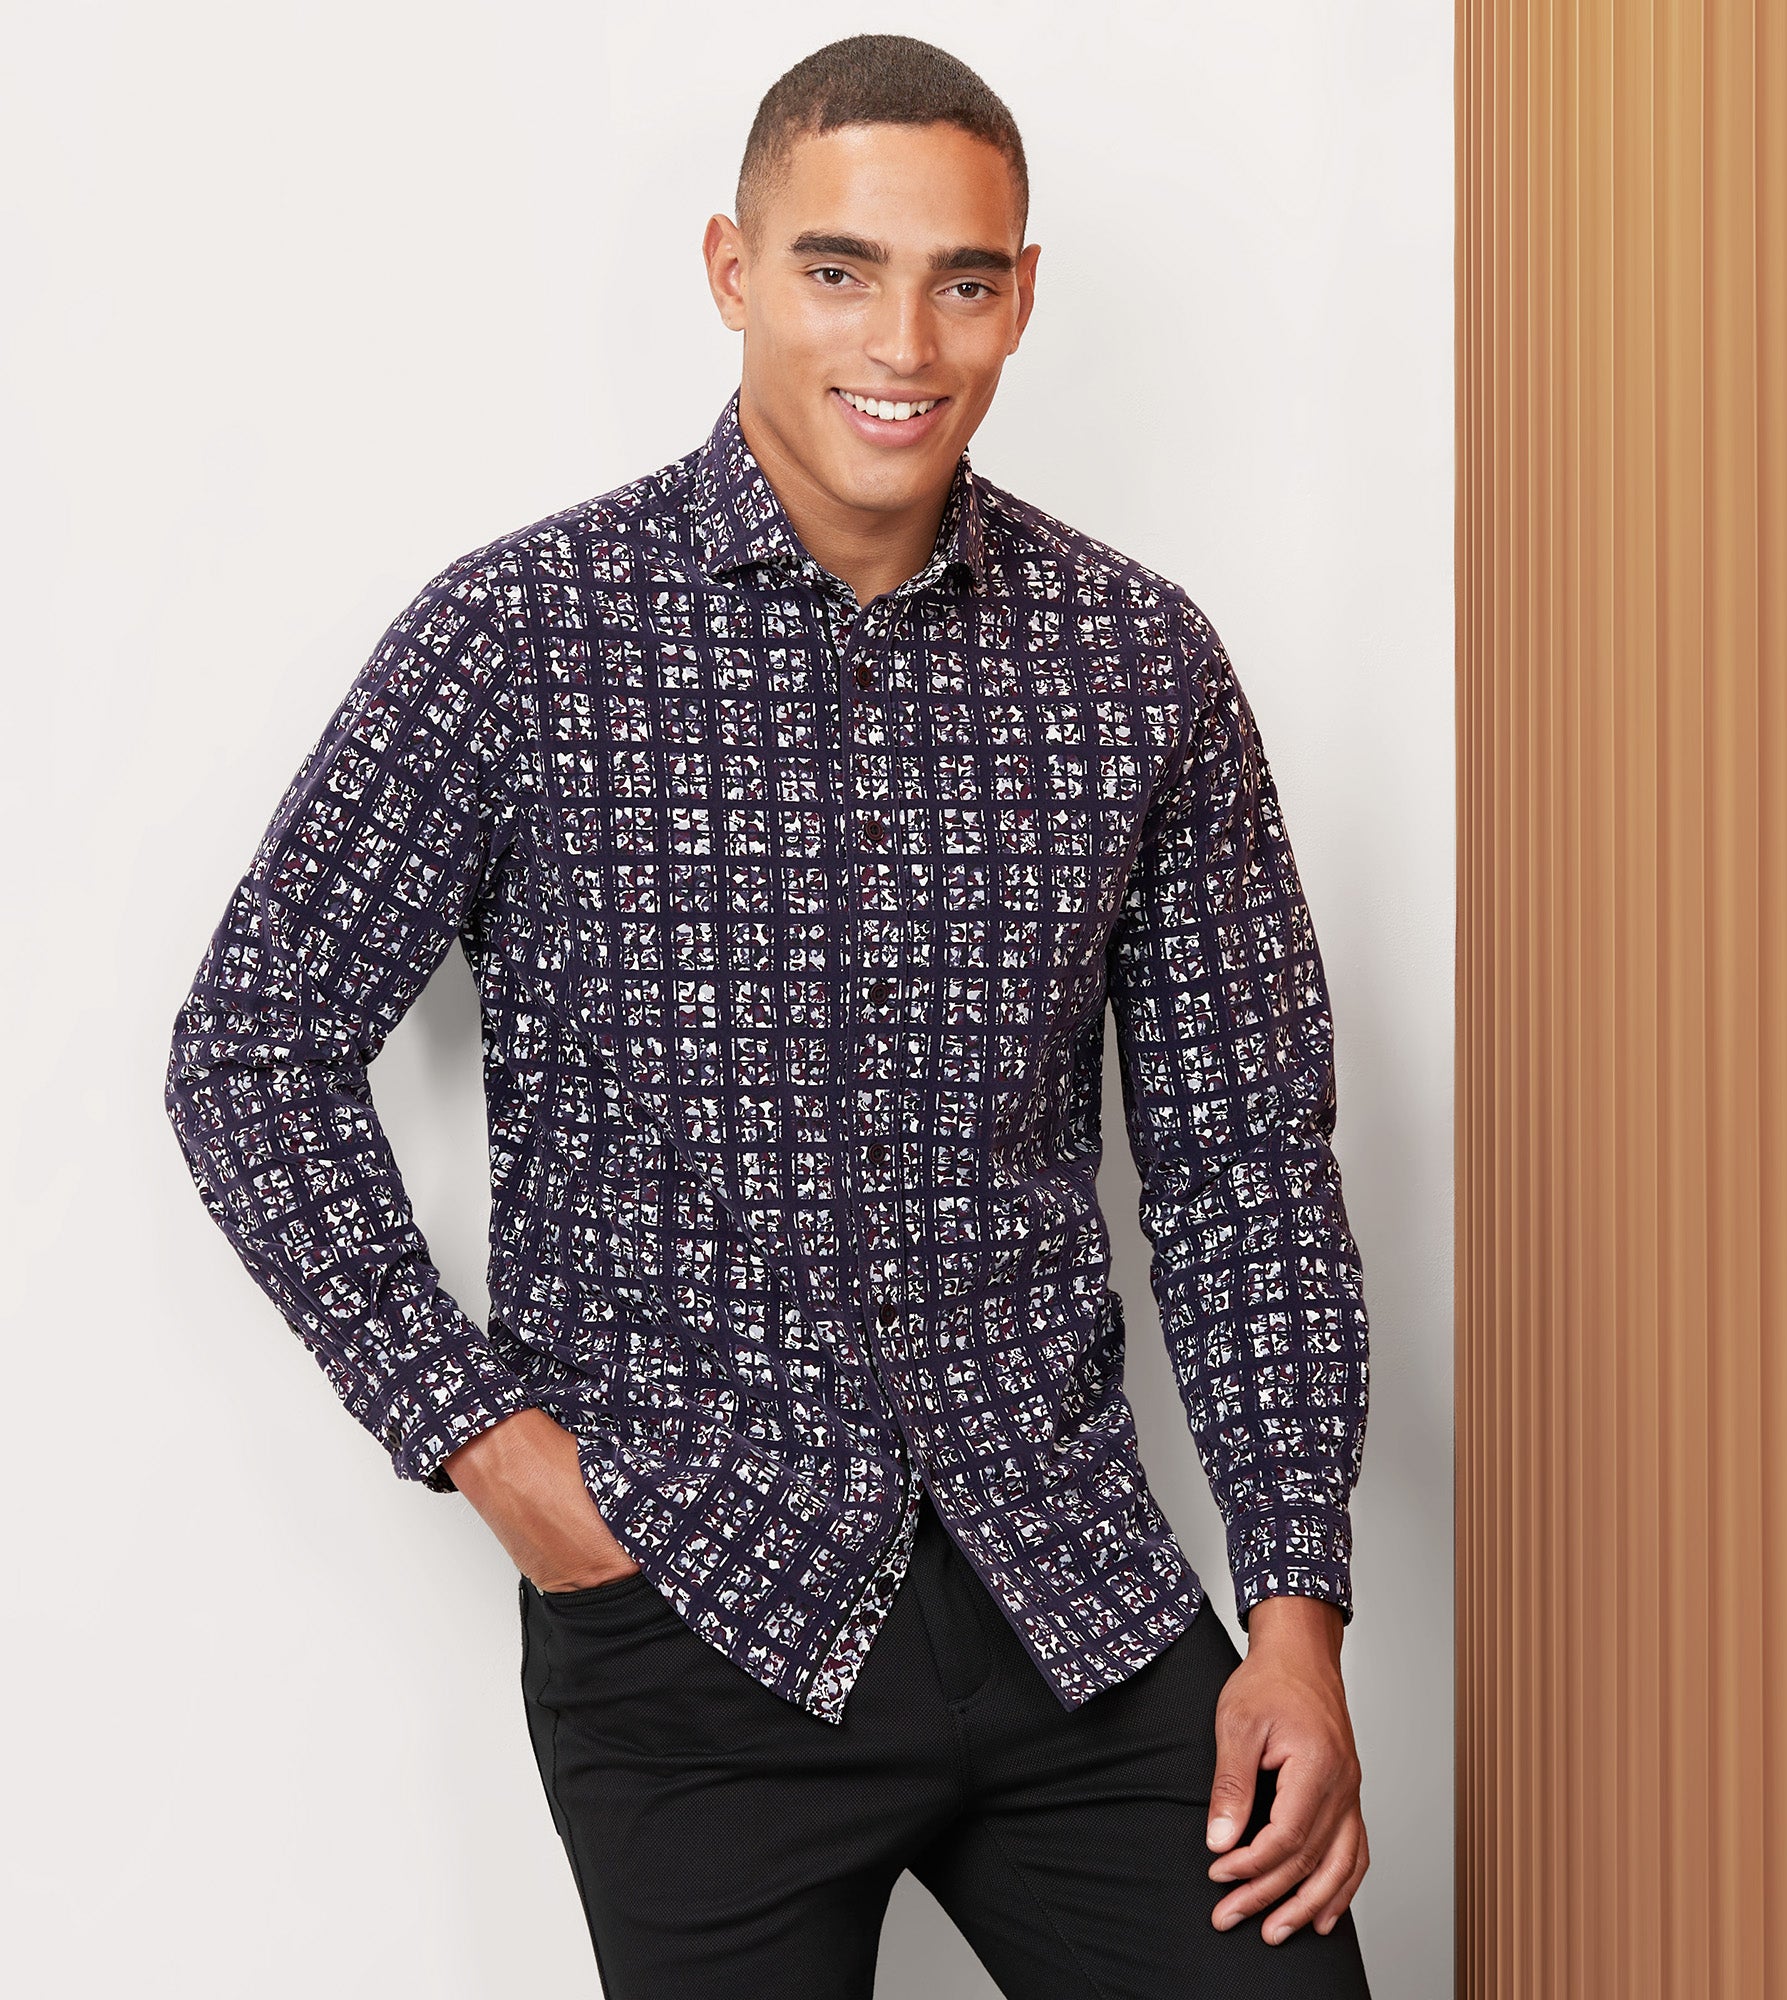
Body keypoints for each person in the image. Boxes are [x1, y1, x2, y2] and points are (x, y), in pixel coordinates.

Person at [164, 31, 1374, 1999]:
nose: (903, 340)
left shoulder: (1138, 663)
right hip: (692, 1610)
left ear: (1022, 298)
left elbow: (1244, 1165)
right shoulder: (522, 641)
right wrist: (479, 1437)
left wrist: (1297, 1617)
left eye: (961, 280)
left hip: (1072, 1587)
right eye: (838, 268)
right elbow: (253, 1044)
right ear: (732, 271)